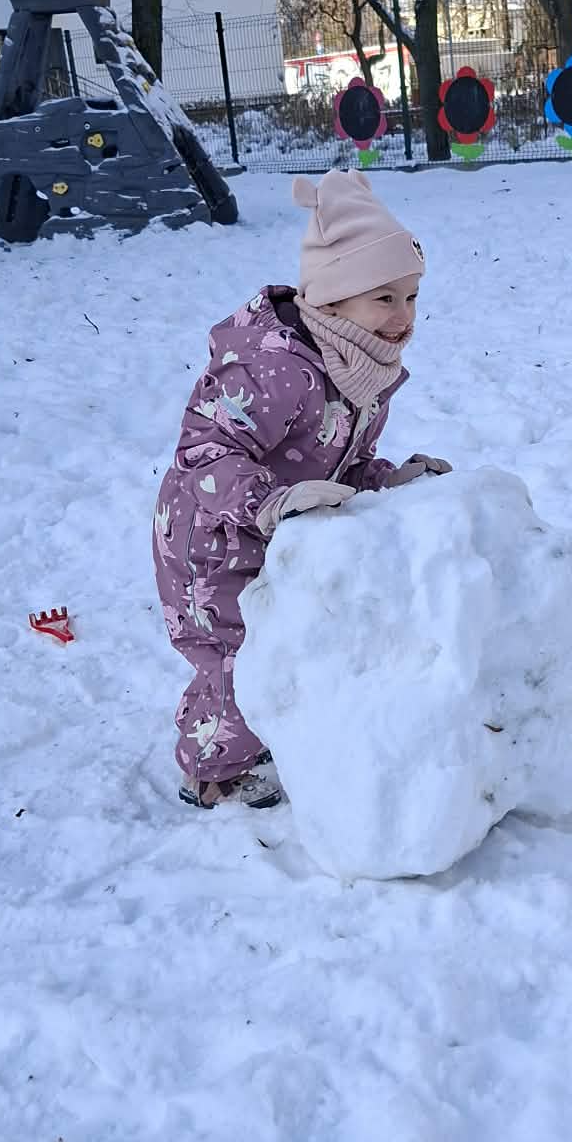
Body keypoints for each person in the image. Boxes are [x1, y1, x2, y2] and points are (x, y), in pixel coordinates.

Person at [153, 169, 451, 810]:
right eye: (384, 298)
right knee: (238, 653)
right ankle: (214, 771)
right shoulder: (276, 367)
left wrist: (389, 481)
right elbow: (205, 449)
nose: (403, 317)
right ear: (334, 299)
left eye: (411, 296)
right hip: (213, 538)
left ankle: (275, 730)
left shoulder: (361, 366)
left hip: (281, 531)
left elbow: (345, 462)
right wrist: (268, 502)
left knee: (288, 639)